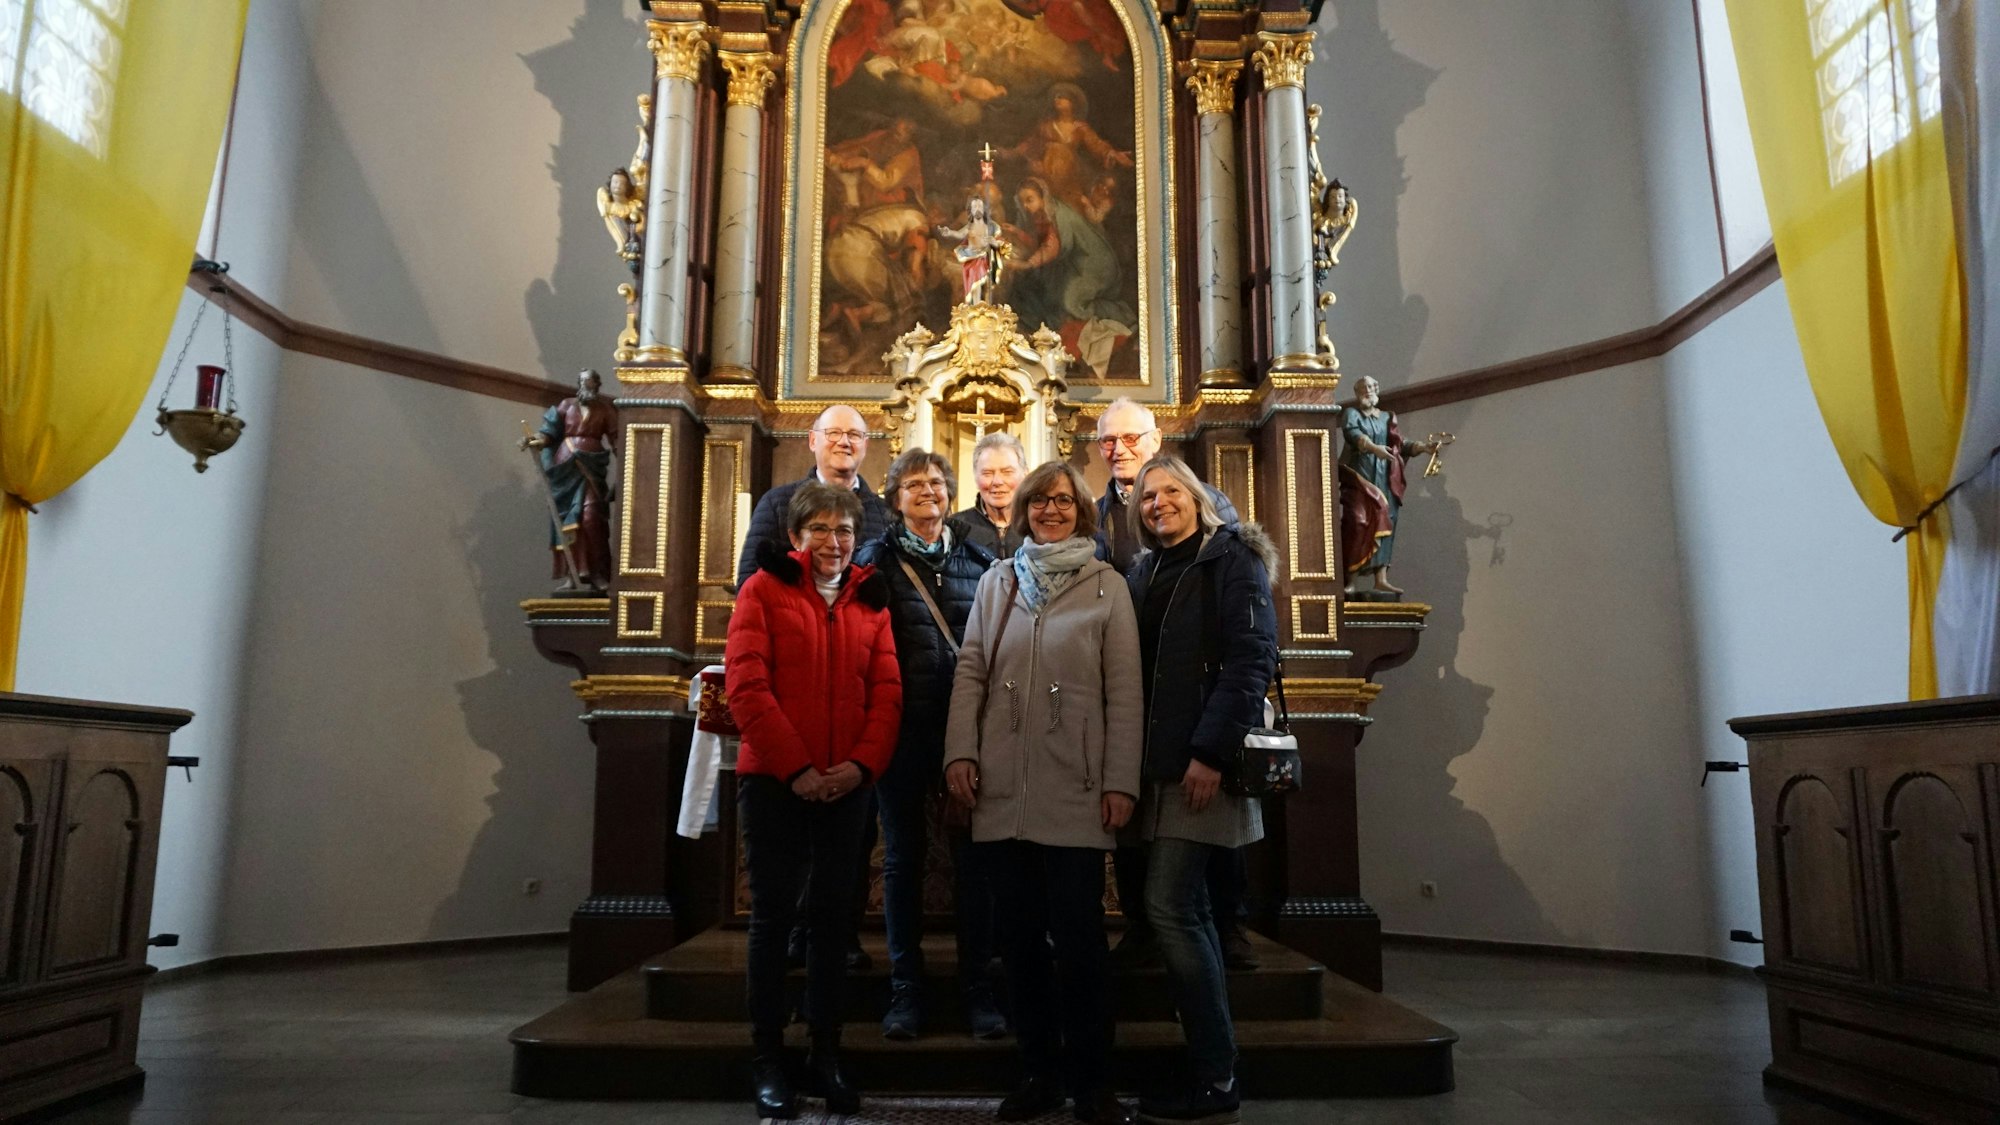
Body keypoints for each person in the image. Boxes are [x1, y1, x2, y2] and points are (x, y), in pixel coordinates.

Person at [944, 461, 1141, 1125]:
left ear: (1081, 511)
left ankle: (1092, 1081)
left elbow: (1126, 692)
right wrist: (961, 751)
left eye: (1063, 500)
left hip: (1077, 786)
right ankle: (1038, 1071)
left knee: (1081, 943)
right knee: (1019, 941)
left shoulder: (1106, 585)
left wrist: (1119, 780)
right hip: (1002, 787)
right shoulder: (1001, 581)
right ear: (1025, 508)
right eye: (1041, 500)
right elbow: (971, 668)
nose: (1051, 509)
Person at [727, 482, 902, 1119]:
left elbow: (886, 694)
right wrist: (797, 768)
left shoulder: (871, 599)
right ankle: (768, 1057)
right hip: (775, 782)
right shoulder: (763, 591)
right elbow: (747, 686)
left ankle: (825, 1052)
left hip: (847, 785)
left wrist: (858, 767)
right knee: (774, 921)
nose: (834, 542)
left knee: (834, 923)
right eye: (821, 530)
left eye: (845, 531)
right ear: (797, 536)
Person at [1124, 456, 1278, 1125]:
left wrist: (1211, 750)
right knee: (1185, 913)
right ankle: (1212, 1068)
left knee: (1171, 908)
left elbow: (1251, 660)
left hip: (1202, 767)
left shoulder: (1231, 558)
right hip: (1154, 767)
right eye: (1149, 496)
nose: (1159, 503)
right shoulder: (1141, 571)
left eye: (1171, 491)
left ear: (1198, 497)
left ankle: (1216, 1075)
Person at [1089, 400, 1253, 972]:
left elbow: (1245, 652)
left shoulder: (1226, 545)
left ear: (1155, 439)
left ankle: (1228, 935)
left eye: (1131, 437)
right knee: (1142, 852)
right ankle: (1147, 934)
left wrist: (1211, 747)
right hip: (1142, 715)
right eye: (1108, 440)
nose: (1120, 448)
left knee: (1194, 869)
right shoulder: (1102, 521)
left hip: (1199, 715)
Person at [734, 403, 894, 974]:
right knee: (781, 879)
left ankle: (839, 937)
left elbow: (880, 591)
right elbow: (749, 575)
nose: (845, 442)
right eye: (835, 433)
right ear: (813, 440)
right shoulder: (779, 502)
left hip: (853, 684)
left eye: (855, 434)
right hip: (790, 691)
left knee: (847, 857)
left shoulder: (880, 509)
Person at [853, 449, 1005, 1042]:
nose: (928, 493)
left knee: (975, 864)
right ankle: (906, 991)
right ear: (894, 498)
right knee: (902, 860)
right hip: (901, 733)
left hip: (966, 733)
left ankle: (978, 990)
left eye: (937, 484)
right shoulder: (874, 563)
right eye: (914, 485)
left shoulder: (980, 559)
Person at [1338, 375, 1441, 596]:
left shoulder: (1387, 417)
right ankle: (1351, 579)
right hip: (1360, 478)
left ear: (1377, 389)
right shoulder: (1352, 414)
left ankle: (1381, 578)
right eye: (1363, 388)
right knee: (1358, 523)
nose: (1367, 391)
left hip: (1385, 479)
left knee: (1387, 524)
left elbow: (1400, 444)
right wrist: (1374, 448)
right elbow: (1352, 434)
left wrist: (1424, 447)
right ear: (1357, 393)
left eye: (1371, 387)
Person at [524, 369, 619, 591]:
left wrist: (626, 470)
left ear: (598, 384)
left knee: (590, 518)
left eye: (591, 381)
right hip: (565, 469)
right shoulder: (566, 406)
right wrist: (536, 440)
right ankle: (573, 574)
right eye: (583, 381)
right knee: (567, 520)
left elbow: (618, 441)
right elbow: (548, 432)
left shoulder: (605, 410)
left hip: (592, 469)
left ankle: (596, 572)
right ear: (579, 384)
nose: (587, 385)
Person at [954, 431, 1026, 559]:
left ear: (1025, 474)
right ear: (975, 477)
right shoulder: (955, 529)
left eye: (1007, 472)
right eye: (987, 473)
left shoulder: (1039, 528)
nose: (997, 481)